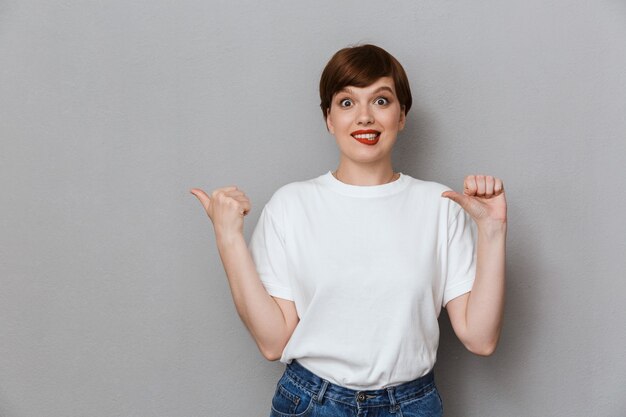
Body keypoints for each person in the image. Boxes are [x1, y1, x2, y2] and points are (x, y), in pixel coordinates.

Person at [190, 44, 507, 417]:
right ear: (328, 118)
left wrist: (492, 230)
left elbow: (480, 337)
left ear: (402, 115)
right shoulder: (291, 205)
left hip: (411, 405)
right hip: (312, 403)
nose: (364, 117)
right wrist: (228, 238)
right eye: (346, 103)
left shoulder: (441, 203)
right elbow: (273, 342)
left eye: (381, 101)